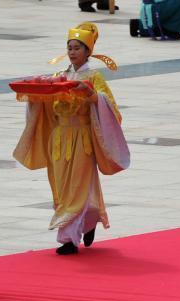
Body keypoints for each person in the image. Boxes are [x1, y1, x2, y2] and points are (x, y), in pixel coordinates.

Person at [13, 23, 129, 255]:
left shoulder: (94, 77)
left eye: (78, 48)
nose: (73, 52)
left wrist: (90, 95)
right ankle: (87, 221)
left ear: (88, 51)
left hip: (82, 136)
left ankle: (68, 238)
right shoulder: (59, 76)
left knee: (78, 184)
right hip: (58, 138)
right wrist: (36, 92)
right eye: (70, 47)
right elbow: (47, 105)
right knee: (61, 184)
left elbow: (112, 110)